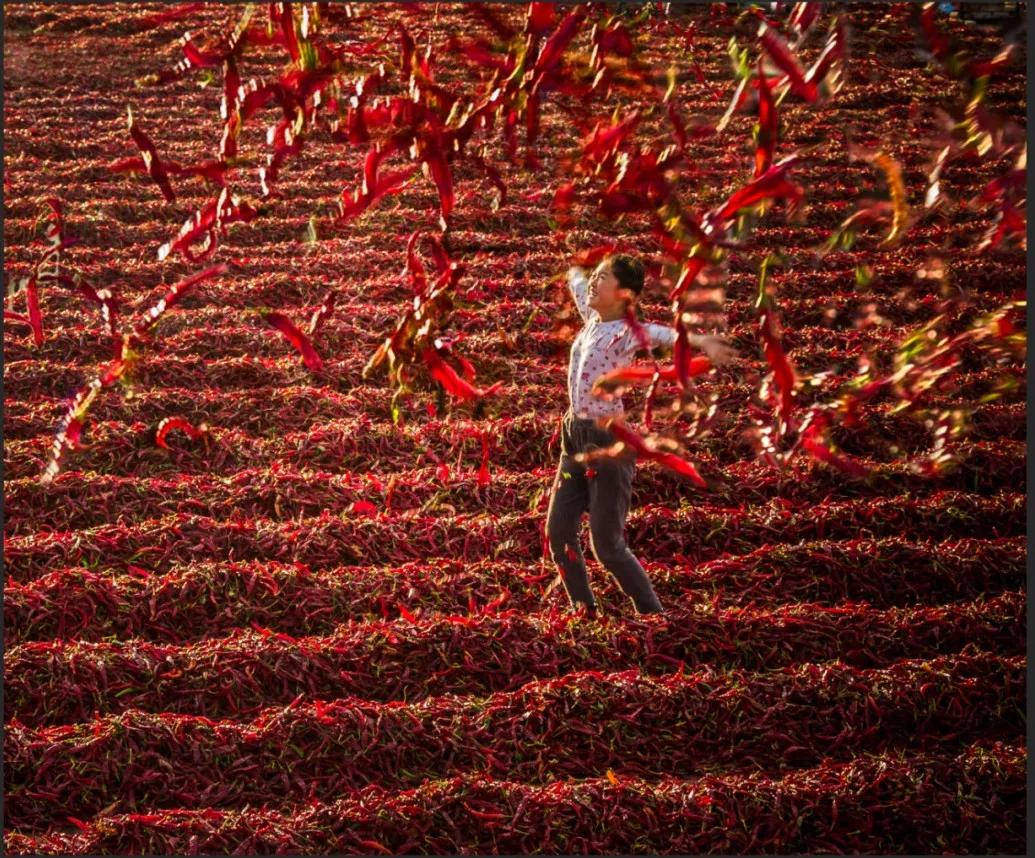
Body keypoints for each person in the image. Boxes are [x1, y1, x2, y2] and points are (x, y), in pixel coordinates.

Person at [545, 253, 737, 616]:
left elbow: (665, 334)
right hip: (574, 437)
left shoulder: (625, 332)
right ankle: (583, 608)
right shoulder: (592, 319)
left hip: (608, 441)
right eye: (596, 276)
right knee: (558, 532)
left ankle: (653, 614)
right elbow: (578, 285)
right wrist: (572, 265)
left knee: (607, 545)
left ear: (625, 296)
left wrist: (703, 344)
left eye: (603, 279)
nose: (594, 283)